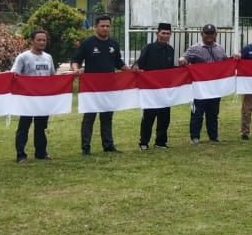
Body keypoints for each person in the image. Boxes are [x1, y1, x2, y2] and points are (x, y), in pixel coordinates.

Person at [71, 14, 125, 155]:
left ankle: (108, 146)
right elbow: (76, 60)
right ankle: (86, 147)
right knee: (89, 117)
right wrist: (76, 69)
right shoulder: (88, 43)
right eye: (102, 26)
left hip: (108, 87)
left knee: (107, 116)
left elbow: (119, 63)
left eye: (107, 26)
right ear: (96, 27)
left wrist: (132, 71)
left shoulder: (114, 44)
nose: (105, 28)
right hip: (91, 88)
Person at [11, 28, 55, 163]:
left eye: (44, 40)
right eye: (39, 40)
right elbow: (14, 75)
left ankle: (41, 152)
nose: (42, 43)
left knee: (41, 127)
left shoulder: (48, 57)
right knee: (24, 127)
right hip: (27, 99)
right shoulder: (23, 57)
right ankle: (21, 155)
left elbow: (52, 76)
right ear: (32, 41)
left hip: (43, 99)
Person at [182, 24, 230, 143]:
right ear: (202, 34)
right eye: (207, 33)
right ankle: (195, 136)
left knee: (213, 113)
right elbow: (184, 58)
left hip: (215, 87)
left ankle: (213, 136)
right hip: (199, 88)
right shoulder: (194, 48)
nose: (209, 36)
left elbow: (225, 61)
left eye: (211, 33)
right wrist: (183, 60)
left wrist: (233, 59)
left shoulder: (219, 48)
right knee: (197, 113)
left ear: (215, 34)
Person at [135, 23, 176, 150]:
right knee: (149, 116)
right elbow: (139, 63)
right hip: (150, 89)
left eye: (168, 33)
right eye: (163, 33)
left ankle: (160, 142)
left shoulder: (170, 50)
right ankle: (144, 142)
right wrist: (136, 67)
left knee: (164, 117)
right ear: (157, 33)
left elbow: (170, 70)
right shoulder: (148, 48)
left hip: (165, 90)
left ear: (171, 35)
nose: (165, 36)